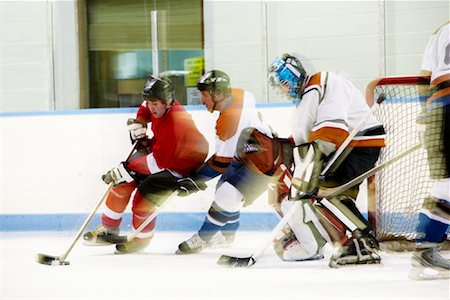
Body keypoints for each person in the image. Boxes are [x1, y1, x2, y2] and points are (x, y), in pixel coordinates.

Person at [267, 54, 386, 267]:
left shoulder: (320, 83)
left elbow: (330, 135)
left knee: (326, 190)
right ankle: (360, 240)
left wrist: (308, 171)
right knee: (327, 191)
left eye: (285, 83)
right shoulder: (306, 99)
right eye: (280, 87)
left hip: (360, 143)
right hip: (347, 146)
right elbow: (306, 140)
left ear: (295, 76)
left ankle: (361, 243)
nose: (284, 90)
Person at [83, 75, 208, 253]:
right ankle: (109, 228)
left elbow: (158, 163)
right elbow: (144, 108)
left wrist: (126, 169)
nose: (151, 107)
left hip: (181, 164)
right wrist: (140, 122)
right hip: (162, 152)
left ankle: (141, 239)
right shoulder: (156, 104)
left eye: (155, 103)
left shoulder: (175, 123)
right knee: (122, 182)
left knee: (144, 195)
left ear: (168, 101)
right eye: (149, 102)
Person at [176, 70, 280, 254]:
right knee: (223, 187)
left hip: (262, 160)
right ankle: (226, 236)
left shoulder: (230, 122)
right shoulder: (239, 94)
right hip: (253, 151)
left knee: (227, 195)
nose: (202, 100)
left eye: (205, 95)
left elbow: (221, 162)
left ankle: (203, 238)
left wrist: (195, 179)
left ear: (219, 94)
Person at [409, 22, 450, 280]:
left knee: (444, 186)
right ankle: (425, 248)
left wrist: (426, 118)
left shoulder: (438, 31)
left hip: (437, 111)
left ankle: (425, 248)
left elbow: (424, 79)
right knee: (445, 188)